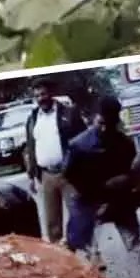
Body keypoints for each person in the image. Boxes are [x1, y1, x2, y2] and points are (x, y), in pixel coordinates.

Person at [61, 96, 140, 278]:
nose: (103, 129)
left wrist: (117, 191)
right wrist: (95, 195)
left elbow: (131, 174)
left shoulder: (125, 144)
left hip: (119, 199)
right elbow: (69, 175)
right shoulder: (78, 145)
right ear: (94, 118)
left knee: (133, 241)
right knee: (85, 248)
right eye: (100, 123)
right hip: (87, 199)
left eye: (108, 124)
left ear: (115, 122)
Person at [22, 77, 86, 244]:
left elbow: (83, 142)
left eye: (43, 94)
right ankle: (58, 259)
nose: (40, 98)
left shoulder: (69, 113)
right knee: (52, 223)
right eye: (37, 96)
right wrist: (31, 175)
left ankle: (92, 255)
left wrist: (83, 169)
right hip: (46, 176)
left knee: (78, 214)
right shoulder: (33, 118)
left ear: (51, 93)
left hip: (69, 173)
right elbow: (30, 147)